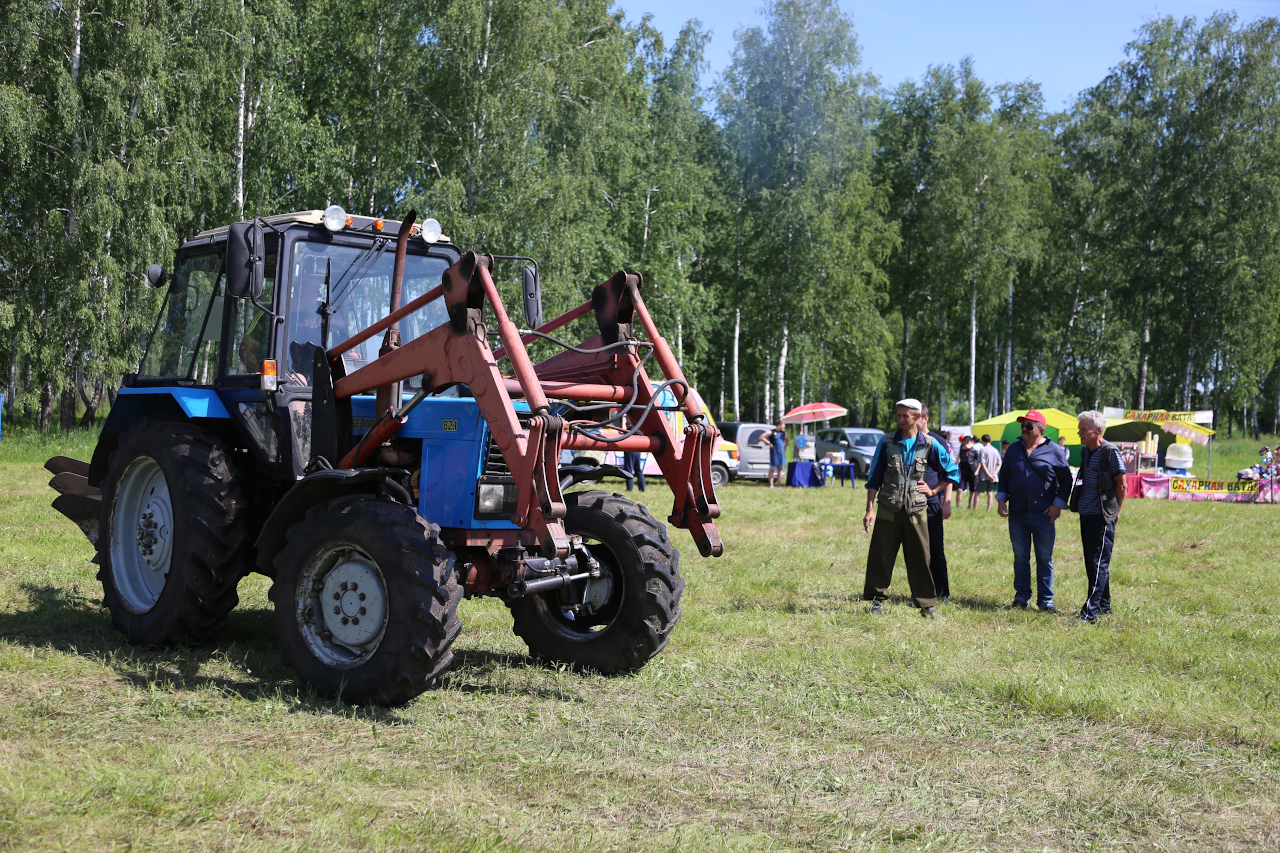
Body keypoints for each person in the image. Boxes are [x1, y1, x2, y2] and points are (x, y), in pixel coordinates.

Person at [861, 398, 958, 619]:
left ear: (917, 417)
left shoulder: (931, 444)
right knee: (881, 554)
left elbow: (952, 472)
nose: (901, 420)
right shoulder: (886, 442)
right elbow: (874, 478)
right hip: (888, 508)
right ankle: (876, 601)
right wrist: (869, 509)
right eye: (899, 415)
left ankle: (927, 605)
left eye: (906, 415)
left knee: (921, 557)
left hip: (917, 510)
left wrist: (934, 490)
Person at [996, 410, 1073, 614]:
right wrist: (1001, 499)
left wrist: (1057, 504)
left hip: (1044, 514)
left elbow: (1066, 480)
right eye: (1023, 425)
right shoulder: (1013, 449)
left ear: (1041, 429)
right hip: (1017, 513)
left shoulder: (1054, 450)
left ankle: (1046, 601)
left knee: (1044, 558)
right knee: (1020, 557)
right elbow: (1004, 476)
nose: (1024, 429)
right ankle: (1021, 598)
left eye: (1029, 426)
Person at [1072, 411, 1126, 622]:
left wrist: (1116, 511)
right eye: (1079, 429)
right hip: (1086, 513)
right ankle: (1104, 606)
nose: (1079, 432)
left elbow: (1122, 484)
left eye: (1083, 429)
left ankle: (1089, 613)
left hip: (1102, 516)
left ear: (1098, 430)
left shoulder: (1110, 452)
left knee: (1098, 563)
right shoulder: (1086, 451)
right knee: (1092, 562)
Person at [917, 405, 959, 603]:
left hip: (932, 502)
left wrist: (946, 502)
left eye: (916, 416)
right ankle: (920, 591)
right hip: (911, 503)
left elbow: (949, 473)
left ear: (925, 418)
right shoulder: (908, 440)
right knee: (917, 550)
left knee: (935, 549)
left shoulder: (938, 441)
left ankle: (942, 593)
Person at [757, 420, 788, 487]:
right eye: (783, 425)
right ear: (779, 425)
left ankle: (779, 484)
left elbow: (787, 439)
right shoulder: (772, 432)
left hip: (781, 453)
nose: (784, 426)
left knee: (780, 468)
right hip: (774, 452)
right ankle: (771, 484)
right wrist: (769, 443)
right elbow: (761, 437)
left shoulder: (783, 433)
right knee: (772, 469)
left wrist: (785, 447)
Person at [976, 434, 1001, 510]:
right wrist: (994, 474)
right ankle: (989, 509)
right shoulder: (995, 450)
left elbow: (982, 463)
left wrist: (988, 475)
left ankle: (975, 509)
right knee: (990, 493)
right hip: (993, 477)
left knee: (977, 492)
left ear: (982, 441)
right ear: (990, 441)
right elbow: (999, 464)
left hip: (984, 476)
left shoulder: (982, 450)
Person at [959, 436, 979, 506]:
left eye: (967, 441)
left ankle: (970, 505)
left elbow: (979, 461)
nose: (965, 442)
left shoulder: (974, 451)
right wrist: (973, 443)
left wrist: (977, 470)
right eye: (965, 441)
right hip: (963, 471)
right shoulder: (962, 447)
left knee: (972, 490)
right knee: (959, 489)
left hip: (971, 471)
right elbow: (966, 447)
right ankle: (958, 505)